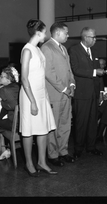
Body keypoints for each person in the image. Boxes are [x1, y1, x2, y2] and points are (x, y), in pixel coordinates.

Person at [19, 19, 57, 176]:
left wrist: (45, 97)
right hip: (30, 95)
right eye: (45, 31)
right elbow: (24, 78)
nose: (46, 35)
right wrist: (33, 102)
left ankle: (42, 162)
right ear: (38, 32)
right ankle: (29, 163)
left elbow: (40, 75)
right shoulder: (27, 50)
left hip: (41, 94)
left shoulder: (38, 50)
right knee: (28, 131)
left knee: (43, 130)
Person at [41, 21, 75, 166]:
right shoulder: (46, 47)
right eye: (66, 33)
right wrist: (63, 88)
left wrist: (72, 84)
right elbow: (48, 72)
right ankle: (53, 154)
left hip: (67, 93)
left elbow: (69, 69)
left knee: (65, 123)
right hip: (55, 93)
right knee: (53, 125)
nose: (68, 35)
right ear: (58, 33)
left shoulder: (63, 48)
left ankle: (63, 151)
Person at [68, 27, 104, 159]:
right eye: (93, 37)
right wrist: (95, 72)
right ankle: (78, 149)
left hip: (93, 93)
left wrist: (100, 91)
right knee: (80, 122)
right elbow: (76, 69)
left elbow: (98, 72)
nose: (95, 40)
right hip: (82, 93)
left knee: (92, 121)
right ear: (86, 37)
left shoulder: (93, 51)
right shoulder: (74, 50)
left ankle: (91, 146)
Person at [0, 67, 20, 160]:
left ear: (8, 79)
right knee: (1, 119)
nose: (0, 78)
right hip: (23, 121)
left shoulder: (4, 90)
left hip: (15, 124)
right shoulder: (18, 86)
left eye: (2, 77)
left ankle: (3, 150)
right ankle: (5, 146)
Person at [96, 58, 107, 143]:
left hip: (104, 100)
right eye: (99, 64)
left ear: (105, 65)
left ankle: (99, 134)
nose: (100, 66)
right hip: (93, 100)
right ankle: (99, 134)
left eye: (102, 64)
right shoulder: (94, 73)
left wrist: (106, 94)